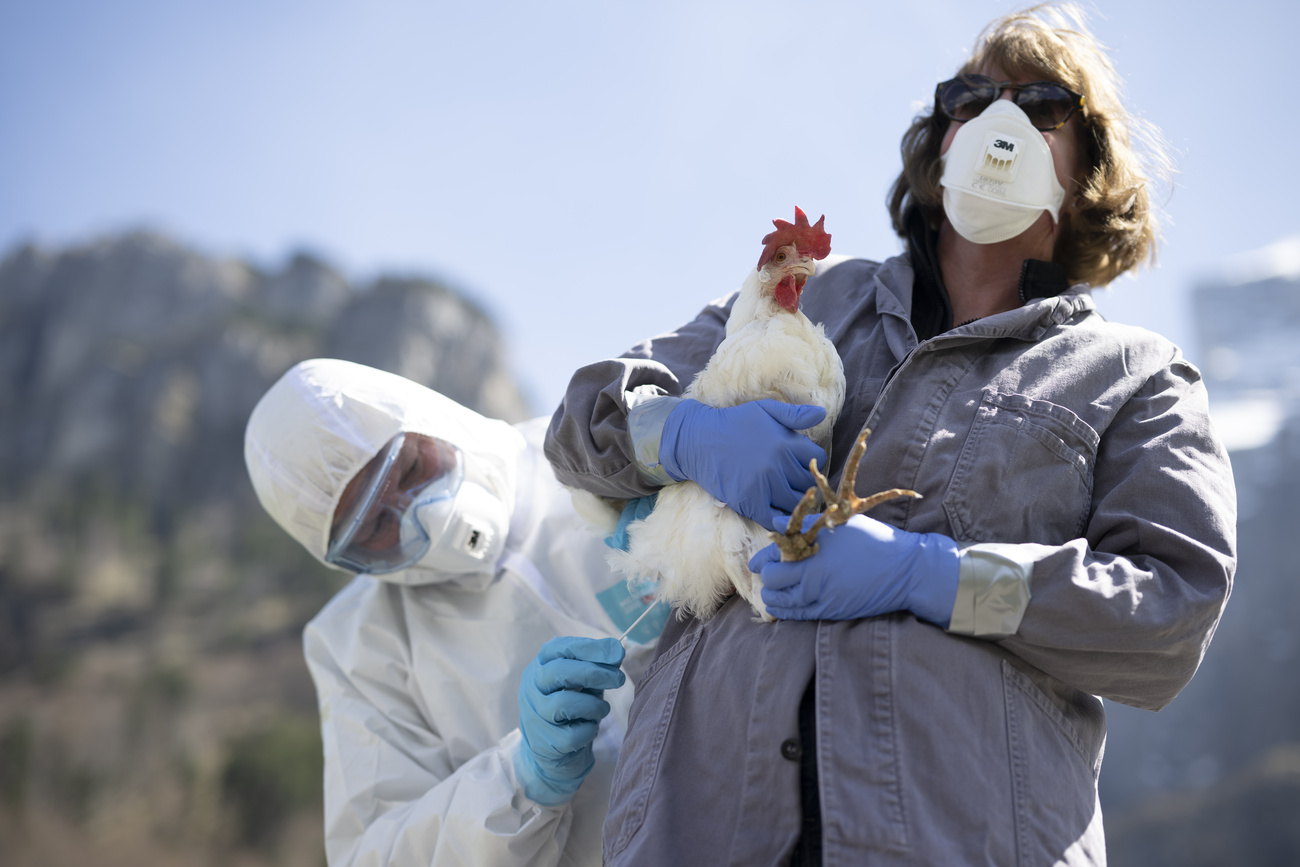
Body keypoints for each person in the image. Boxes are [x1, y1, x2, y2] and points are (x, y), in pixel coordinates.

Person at [544, 5, 1236, 865]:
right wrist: (680, 433)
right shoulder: (807, 297)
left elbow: (1168, 614)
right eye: (971, 98)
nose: (999, 121)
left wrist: (932, 576)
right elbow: (581, 423)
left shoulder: (1133, 374)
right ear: (938, 142)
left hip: (967, 838)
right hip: (699, 824)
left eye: (1042, 104)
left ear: (1087, 162)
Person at [243, 358, 666, 867]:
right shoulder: (358, 646)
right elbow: (373, 854)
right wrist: (522, 781)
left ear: (427, 419)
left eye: (410, 469)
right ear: (349, 557)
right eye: (375, 523)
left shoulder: (590, 446)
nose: (416, 513)